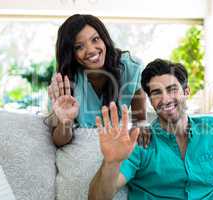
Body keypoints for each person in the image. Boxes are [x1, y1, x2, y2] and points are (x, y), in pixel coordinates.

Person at [88, 58, 213, 200]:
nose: (165, 99)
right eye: (156, 93)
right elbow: (98, 198)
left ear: (186, 92)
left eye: (172, 89)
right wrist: (111, 162)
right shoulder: (140, 142)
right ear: (150, 100)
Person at [47, 14, 148, 147]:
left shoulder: (130, 68)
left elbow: (140, 121)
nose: (90, 50)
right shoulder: (65, 81)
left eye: (95, 39)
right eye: (79, 47)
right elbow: (59, 142)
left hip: (116, 150)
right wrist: (65, 122)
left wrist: (141, 128)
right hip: (83, 151)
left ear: (104, 39)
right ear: (70, 53)